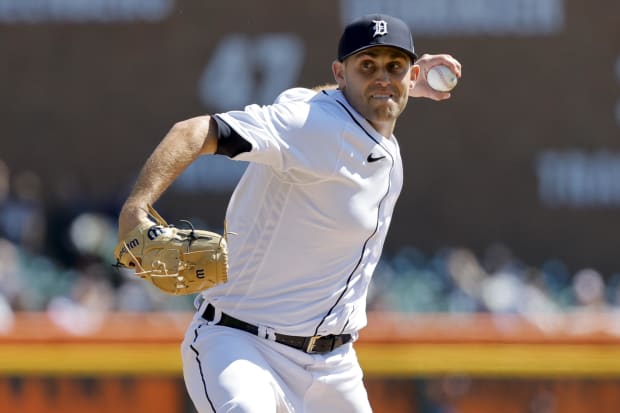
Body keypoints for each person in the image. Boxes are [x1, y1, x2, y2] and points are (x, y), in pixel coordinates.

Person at [117, 13, 461, 413]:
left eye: (394, 67)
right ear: (341, 73)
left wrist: (398, 85)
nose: (382, 76)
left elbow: (333, 100)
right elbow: (191, 132)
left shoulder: (368, 132)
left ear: (413, 74)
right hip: (242, 346)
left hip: (332, 368)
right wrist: (135, 209)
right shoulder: (309, 124)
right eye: (367, 66)